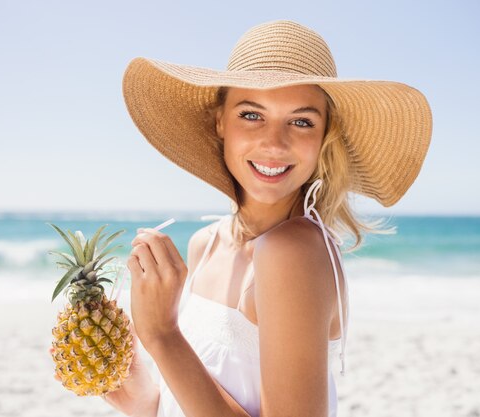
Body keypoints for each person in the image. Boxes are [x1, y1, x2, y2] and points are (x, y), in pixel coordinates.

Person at [108, 20, 432, 417]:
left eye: (301, 121)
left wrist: (162, 335)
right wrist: (147, 403)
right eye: (251, 115)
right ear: (220, 121)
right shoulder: (205, 243)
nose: (274, 143)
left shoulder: (293, 250)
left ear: (324, 136)